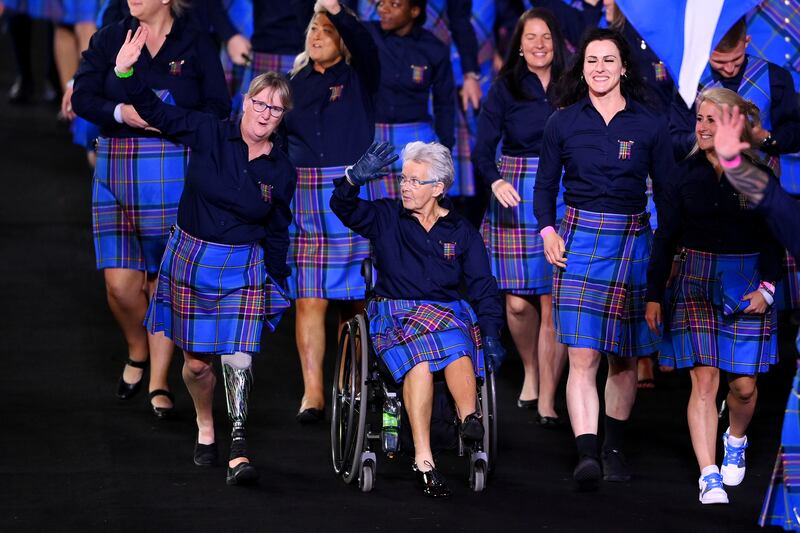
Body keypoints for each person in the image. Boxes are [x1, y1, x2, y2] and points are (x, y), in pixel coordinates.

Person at [113, 26, 295, 485]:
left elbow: (277, 228)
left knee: (239, 358)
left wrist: (277, 278)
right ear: (246, 101)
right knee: (197, 364)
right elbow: (157, 111)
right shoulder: (209, 132)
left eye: (274, 109)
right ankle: (206, 424)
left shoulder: (281, 170)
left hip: (244, 265)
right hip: (192, 258)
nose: (264, 113)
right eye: (259, 103)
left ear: (281, 117)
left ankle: (238, 443)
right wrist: (129, 70)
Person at [72, 0, 231, 417]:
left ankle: (159, 378)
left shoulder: (195, 40)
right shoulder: (111, 37)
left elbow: (218, 107)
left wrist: (174, 118)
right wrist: (120, 111)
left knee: (165, 278)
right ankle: (137, 346)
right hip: (118, 166)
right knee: (121, 286)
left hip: (176, 165)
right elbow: (83, 96)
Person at [534, 27, 675, 488]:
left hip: (632, 242)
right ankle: (586, 453)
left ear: (623, 67)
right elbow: (543, 189)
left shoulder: (649, 124)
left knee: (624, 359)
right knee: (582, 355)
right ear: (582, 68)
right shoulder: (562, 121)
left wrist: (664, 256)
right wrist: (548, 229)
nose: (599, 68)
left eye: (608, 60)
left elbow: (670, 199)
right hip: (578, 242)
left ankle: (613, 448)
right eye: (591, 60)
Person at [330, 140, 505, 497]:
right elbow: (342, 207)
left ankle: (469, 419)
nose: (405, 187)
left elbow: (483, 287)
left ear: (438, 188)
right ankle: (424, 459)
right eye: (403, 179)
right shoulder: (385, 217)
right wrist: (352, 180)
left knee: (459, 343)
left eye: (414, 180)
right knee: (422, 360)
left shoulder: (461, 231)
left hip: (446, 313)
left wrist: (490, 333)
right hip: (394, 313)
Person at [646, 90, 781, 505]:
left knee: (742, 387)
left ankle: (735, 439)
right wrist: (654, 295)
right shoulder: (682, 175)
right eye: (699, 119)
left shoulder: (760, 174)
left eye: (712, 120)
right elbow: (665, 238)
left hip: (746, 281)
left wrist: (767, 290)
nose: (702, 127)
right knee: (704, 380)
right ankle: (709, 474)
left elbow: (776, 240)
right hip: (695, 280)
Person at [283, 0, 380, 423]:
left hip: (352, 190)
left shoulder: (360, 76)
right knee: (309, 298)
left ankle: (349, 385)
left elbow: (365, 40)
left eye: (326, 30)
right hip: (305, 197)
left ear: (341, 39)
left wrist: (336, 10)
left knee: (355, 301)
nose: (317, 35)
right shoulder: (294, 85)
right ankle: (313, 394)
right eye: (313, 30)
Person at [472, 7, 567, 426]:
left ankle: (548, 394)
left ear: (557, 41)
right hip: (514, 194)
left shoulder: (575, 84)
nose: (540, 44)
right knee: (516, 304)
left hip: (564, 189)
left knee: (553, 300)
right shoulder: (504, 87)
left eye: (546, 36)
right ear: (520, 44)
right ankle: (530, 369)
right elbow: (481, 148)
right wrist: (494, 180)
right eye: (531, 37)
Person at [669, 18, 800, 313]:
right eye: (719, 61)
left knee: (770, 258)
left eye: (735, 60)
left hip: (763, 193)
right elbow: (674, 138)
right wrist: (712, 135)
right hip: (705, 189)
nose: (728, 68)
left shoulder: (776, 77)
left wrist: (763, 139)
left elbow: (793, 135)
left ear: (747, 43)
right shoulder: (689, 79)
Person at [362, 0, 455, 200]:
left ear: (414, 10)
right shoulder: (367, 35)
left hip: (416, 139)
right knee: (376, 212)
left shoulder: (434, 48)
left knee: (417, 214)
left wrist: (446, 149)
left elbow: (445, 103)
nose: (383, 9)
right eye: (381, 3)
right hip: (374, 138)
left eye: (394, 5)